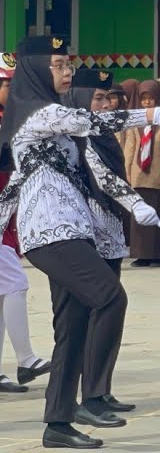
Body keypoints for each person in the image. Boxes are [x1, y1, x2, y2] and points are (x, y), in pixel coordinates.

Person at [0, 35, 160, 449]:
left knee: (72, 327)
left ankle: (58, 423)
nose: (67, 72)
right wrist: (151, 113)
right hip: (50, 232)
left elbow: (26, 180)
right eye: (60, 65)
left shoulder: (53, 115)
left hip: (74, 228)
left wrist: (132, 204)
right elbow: (93, 122)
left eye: (68, 65)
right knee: (109, 296)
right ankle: (89, 396)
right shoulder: (36, 113)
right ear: (36, 70)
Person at [63, 68, 153, 425]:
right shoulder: (76, 136)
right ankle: (84, 396)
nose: (105, 105)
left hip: (109, 229)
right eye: (97, 99)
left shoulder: (104, 136)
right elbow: (99, 178)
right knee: (90, 312)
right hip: (84, 231)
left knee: (109, 310)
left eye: (108, 98)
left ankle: (99, 389)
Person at [0, 52, 50, 394]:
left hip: (9, 212)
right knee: (15, 283)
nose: (10, 88)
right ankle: (26, 359)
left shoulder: (12, 117)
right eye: (5, 82)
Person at [122, 79, 160, 267]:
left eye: (151, 99)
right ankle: (141, 254)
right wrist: (127, 171)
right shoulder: (135, 120)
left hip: (157, 172)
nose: (147, 103)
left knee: (159, 211)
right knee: (139, 216)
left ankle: (158, 254)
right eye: (143, 99)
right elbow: (130, 148)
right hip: (138, 173)